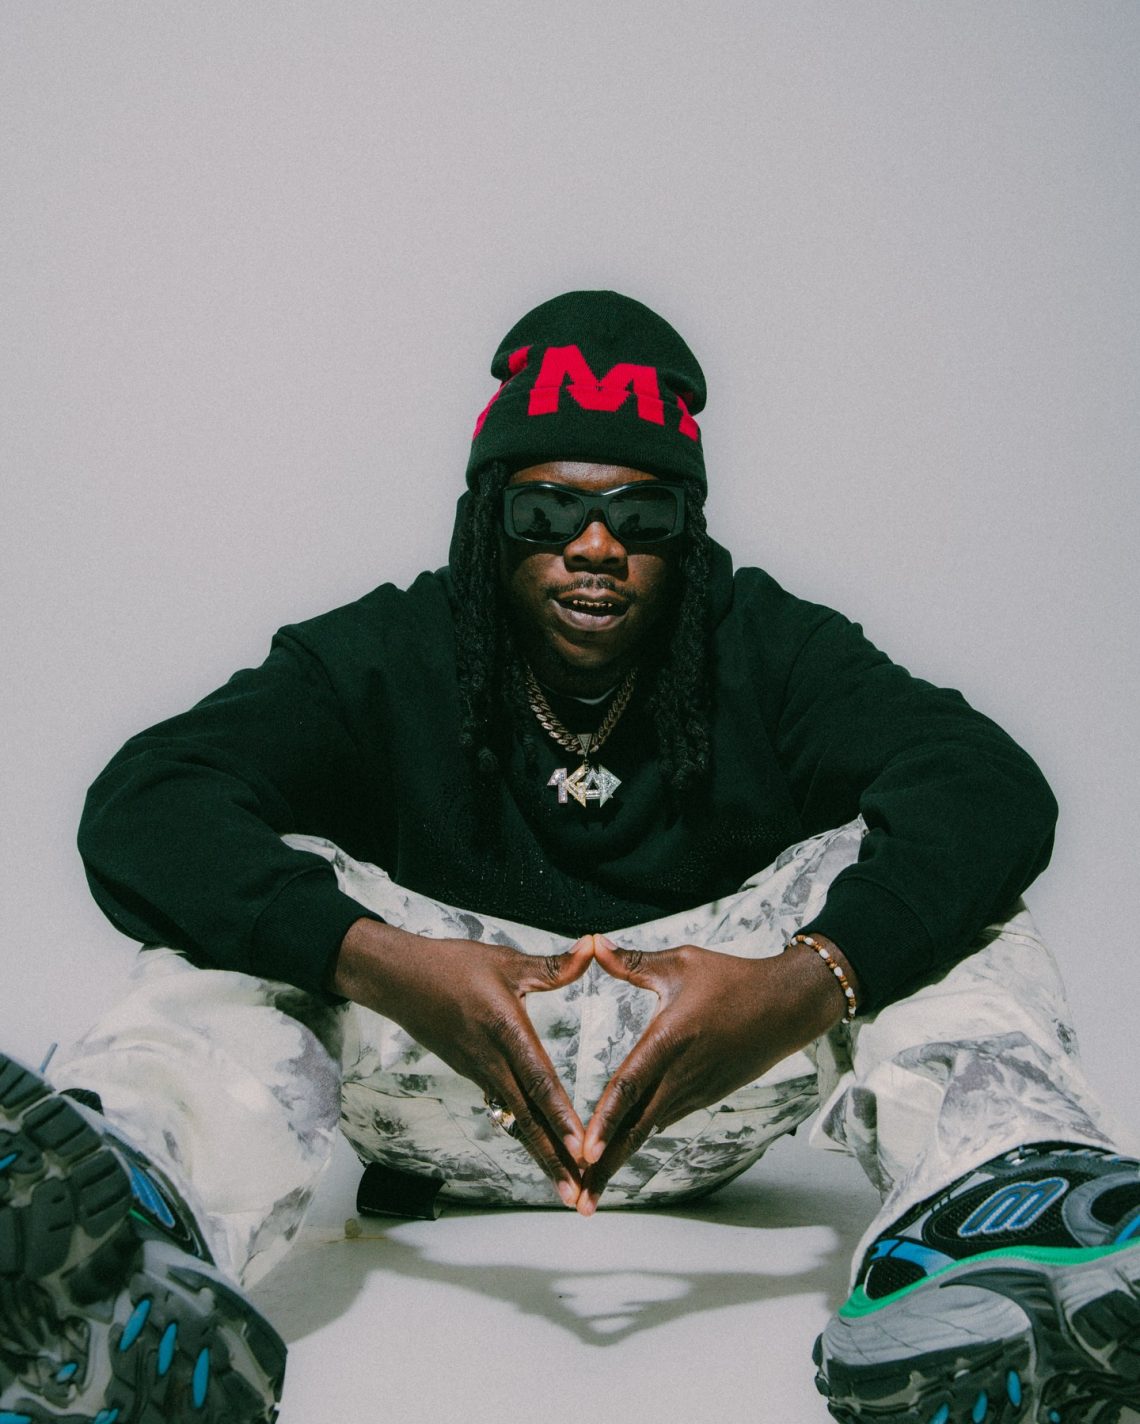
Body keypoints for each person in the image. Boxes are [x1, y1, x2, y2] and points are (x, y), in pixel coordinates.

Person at [2, 290, 1138, 1424]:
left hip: (710, 1082)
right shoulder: (389, 653)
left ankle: (1006, 1234)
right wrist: (375, 959)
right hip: (436, 1084)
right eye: (548, 511)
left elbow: (986, 784)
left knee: (939, 896)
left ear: (686, 531)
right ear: (489, 519)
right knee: (260, 903)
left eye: (642, 515)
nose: (596, 546)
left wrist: (810, 980)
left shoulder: (765, 643)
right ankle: (119, 1240)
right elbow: (146, 800)